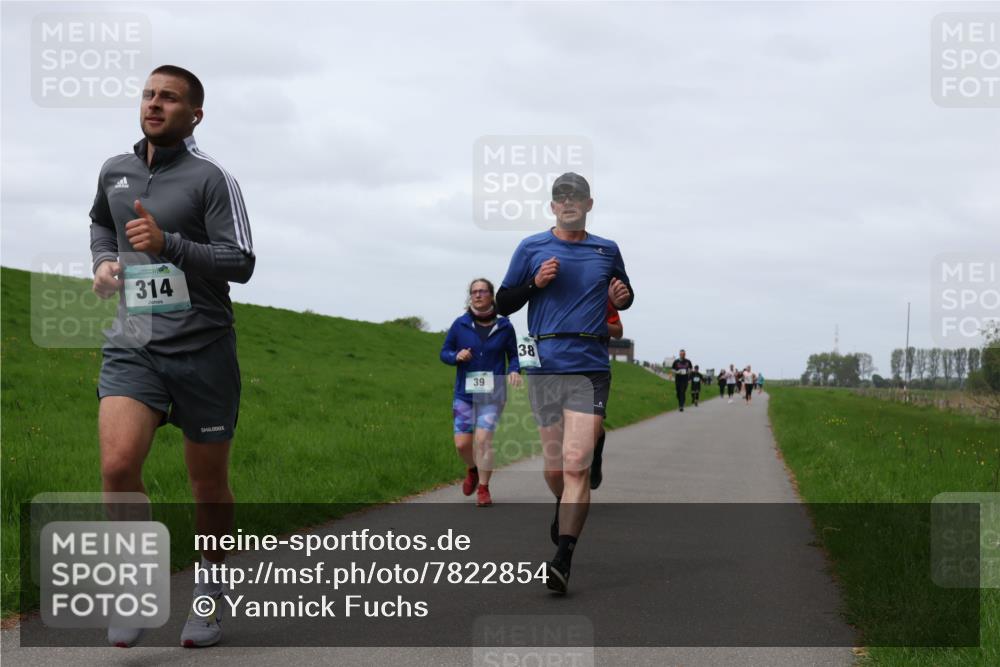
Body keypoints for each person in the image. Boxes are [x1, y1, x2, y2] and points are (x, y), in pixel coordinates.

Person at [90, 65, 255, 649]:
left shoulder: (212, 179)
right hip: (134, 342)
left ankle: (208, 594)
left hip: (203, 348)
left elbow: (241, 261)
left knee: (207, 486)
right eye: (149, 95)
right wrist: (104, 262)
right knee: (117, 466)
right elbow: (101, 223)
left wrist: (169, 245)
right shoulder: (115, 170)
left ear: (195, 114)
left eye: (169, 98)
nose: (154, 104)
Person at [496, 172, 633, 594]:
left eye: (576, 197)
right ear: (553, 206)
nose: (568, 202)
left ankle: (563, 559)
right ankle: (563, 501)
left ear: (589, 204)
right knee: (555, 468)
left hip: (590, 364)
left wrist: (623, 298)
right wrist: (534, 283)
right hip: (545, 364)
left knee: (575, 464)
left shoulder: (606, 249)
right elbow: (503, 303)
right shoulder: (531, 247)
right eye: (561, 197)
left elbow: (625, 295)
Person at [440, 279, 522, 507]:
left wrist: (514, 370)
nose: (477, 295)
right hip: (464, 394)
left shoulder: (504, 326)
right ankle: (473, 469)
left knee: (483, 440)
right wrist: (455, 356)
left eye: (482, 291)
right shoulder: (460, 324)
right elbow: (444, 352)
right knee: (462, 444)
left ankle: (483, 489)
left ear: (491, 295)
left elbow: (514, 355)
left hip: (493, 394)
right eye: (474, 292)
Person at [591, 300, 623, 490]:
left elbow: (618, 331)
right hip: (560, 367)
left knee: (591, 428)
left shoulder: (601, 298)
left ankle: (595, 456)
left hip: (594, 368)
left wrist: (593, 322)